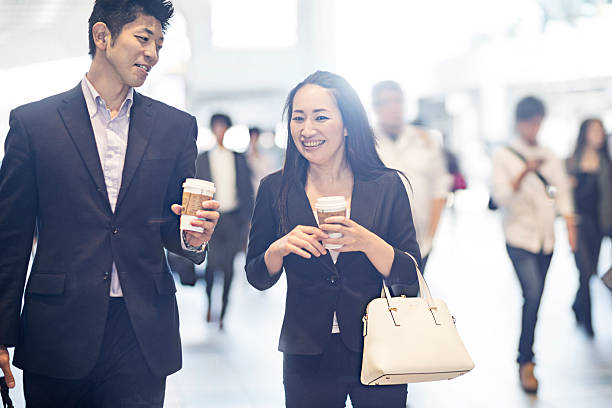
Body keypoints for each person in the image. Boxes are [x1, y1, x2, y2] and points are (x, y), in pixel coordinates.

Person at [0, 1, 220, 406]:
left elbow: (174, 227)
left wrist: (195, 237)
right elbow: (9, 238)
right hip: (58, 328)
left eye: (158, 43)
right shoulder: (34, 124)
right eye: (142, 38)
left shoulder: (175, 128)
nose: (152, 53)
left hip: (141, 332)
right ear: (102, 36)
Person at [245, 71, 421, 407]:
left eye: (320, 117)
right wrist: (278, 249)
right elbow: (256, 275)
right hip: (306, 352)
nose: (307, 130)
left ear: (346, 124)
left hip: (379, 344)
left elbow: (409, 278)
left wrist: (367, 241)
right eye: (298, 118)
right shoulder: (275, 189)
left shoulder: (386, 186)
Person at [492, 96, 576, 394]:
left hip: (546, 239)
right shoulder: (504, 154)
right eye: (530, 122)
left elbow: (561, 190)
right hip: (518, 236)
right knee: (532, 292)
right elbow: (500, 198)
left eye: (538, 122)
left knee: (536, 297)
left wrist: (569, 224)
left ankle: (526, 357)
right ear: (519, 122)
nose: (534, 127)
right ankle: (526, 361)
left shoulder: (548, 153)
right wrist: (525, 171)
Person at [169, 113, 253, 329]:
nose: (220, 130)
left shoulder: (238, 157)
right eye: (216, 126)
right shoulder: (203, 158)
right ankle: (208, 304)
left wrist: (248, 220)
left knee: (228, 268)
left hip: (234, 219)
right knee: (212, 264)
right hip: (211, 220)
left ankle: (223, 312)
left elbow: (247, 190)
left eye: (223, 126)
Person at [372, 80, 451, 272]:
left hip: (421, 242)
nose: (393, 107)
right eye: (386, 102)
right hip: (379, 244)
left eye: (397, 101)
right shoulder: (367, 143)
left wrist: (431, 236)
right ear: (375, 107)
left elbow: (440, 189)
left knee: (414, 298)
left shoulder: (426, 141)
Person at [566, 118, 612, 337]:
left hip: (599, 224)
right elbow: (555, 191)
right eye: (593, 130)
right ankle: (588, 321)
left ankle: (577, 305)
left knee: (590, 271)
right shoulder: (571, 161)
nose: (597, 134)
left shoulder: (606, 161)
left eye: (600, 130)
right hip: (578, 223)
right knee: (584, 271)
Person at [247, 126, 282, 192]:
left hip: (262, 188)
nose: (254, 140)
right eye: (252, 137)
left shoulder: (266, 156)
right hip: (249, 190)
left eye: (256, 137)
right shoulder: (245, 156)